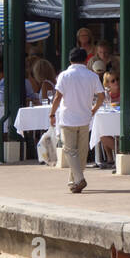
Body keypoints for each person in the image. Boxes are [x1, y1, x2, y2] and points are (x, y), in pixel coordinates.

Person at [48, 47, 105, 194]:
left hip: (68, 118)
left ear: (70, 59)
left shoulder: (64, 75)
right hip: (85, 117)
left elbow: (57, 97)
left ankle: (79, 179)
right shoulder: (92, 76)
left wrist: (52, 114)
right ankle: (73, 181)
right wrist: (94, 109)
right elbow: (101, 96)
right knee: (81, 151)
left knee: (69, 150)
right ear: (86, 60)